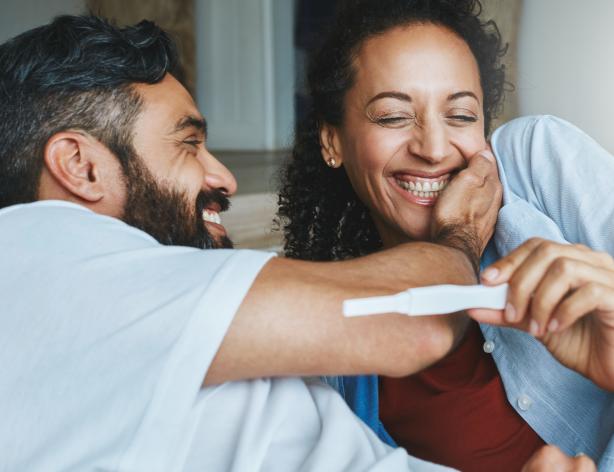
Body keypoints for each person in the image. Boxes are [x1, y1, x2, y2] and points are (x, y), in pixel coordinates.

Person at [0, 13, 524, 472]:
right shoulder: (37, 263)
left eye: (459, 113)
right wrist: (459, 238)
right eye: (189, 145)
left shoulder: (140, 296)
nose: (225, 177)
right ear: (80, 166)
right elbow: (414, 323)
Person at [277, 0, 614, 471]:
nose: (434, 149)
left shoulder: (537, 161)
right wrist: (457, 241)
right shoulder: (339, 347)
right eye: (394, 117)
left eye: (460, 116)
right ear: (332, 141)